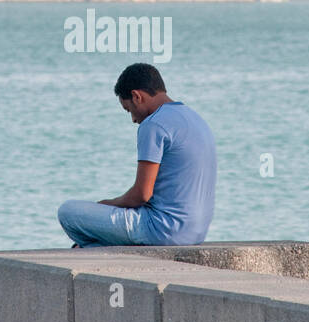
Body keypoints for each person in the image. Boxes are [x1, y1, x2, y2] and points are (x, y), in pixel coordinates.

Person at [57, 63, 216, 247]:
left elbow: (141, 195)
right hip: (195, 233)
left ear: (136, 96)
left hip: (162, 230)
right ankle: (94, 249)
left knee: (68, 212)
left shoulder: (153, 124)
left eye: (128, 110)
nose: (133, 119)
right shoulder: (195, 118)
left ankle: (92, 249)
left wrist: (104, 205)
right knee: (89, 241)